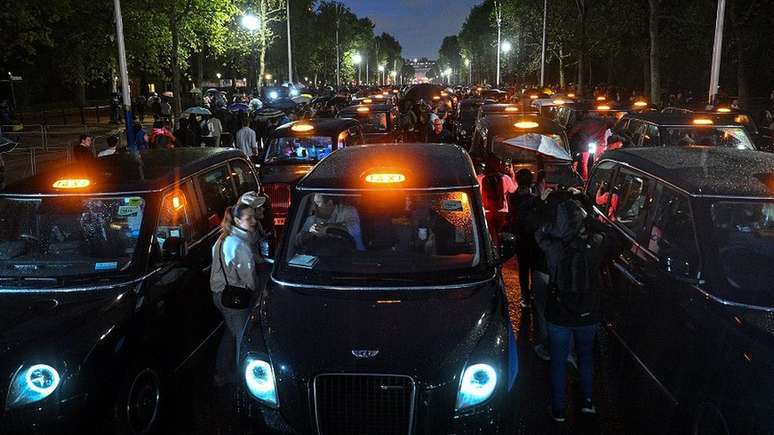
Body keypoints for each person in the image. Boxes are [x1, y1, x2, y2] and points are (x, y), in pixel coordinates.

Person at [535, 195, 610, 422]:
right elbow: (610, 237)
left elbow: (539, 232)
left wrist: (552, 225)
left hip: (559, 311)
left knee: (558, 360)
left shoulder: (553, 246)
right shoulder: (594, 244)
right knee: (586, 356)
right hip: (587, 311)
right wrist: (591, 221)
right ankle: (587, 401)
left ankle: (559, 409)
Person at [209, 198, 267, 385]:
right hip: (235, 298)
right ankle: (243, 382)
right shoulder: (240, 245)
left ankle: (220, 371)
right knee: (242, 339)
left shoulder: (223, 238)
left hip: (220, 295)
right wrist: (259, 292)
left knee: (231, 332)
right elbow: (250, 280)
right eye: (249, 218)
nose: (254, 221)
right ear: (237, 221)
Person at [296, 193, 365, 251]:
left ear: (329, 203)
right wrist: (310, 234)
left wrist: (327, 227)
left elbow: (355, 230)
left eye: (317, 203)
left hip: (352, 255)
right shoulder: (312, 219)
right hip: (322, 257)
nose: (314, 208)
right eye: (313, 204)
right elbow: (297, 241)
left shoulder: (348, 211)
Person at [509, 169, 537, 307]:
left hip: (520, 239)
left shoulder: (512, 197)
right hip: (534, 239)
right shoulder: (534, 199)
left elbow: (512, 217)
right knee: (534, 268)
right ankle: (534, 294)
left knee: (523, 269)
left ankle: (525, 296)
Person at [476, 157, 517, 246]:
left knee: (488, 233)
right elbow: (514, 190)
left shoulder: (479, 178)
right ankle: (498, 250)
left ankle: (490, 250)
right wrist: (512, 174)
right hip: (501, 211)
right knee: (498, 234)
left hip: (486, 211)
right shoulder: (505, 178)